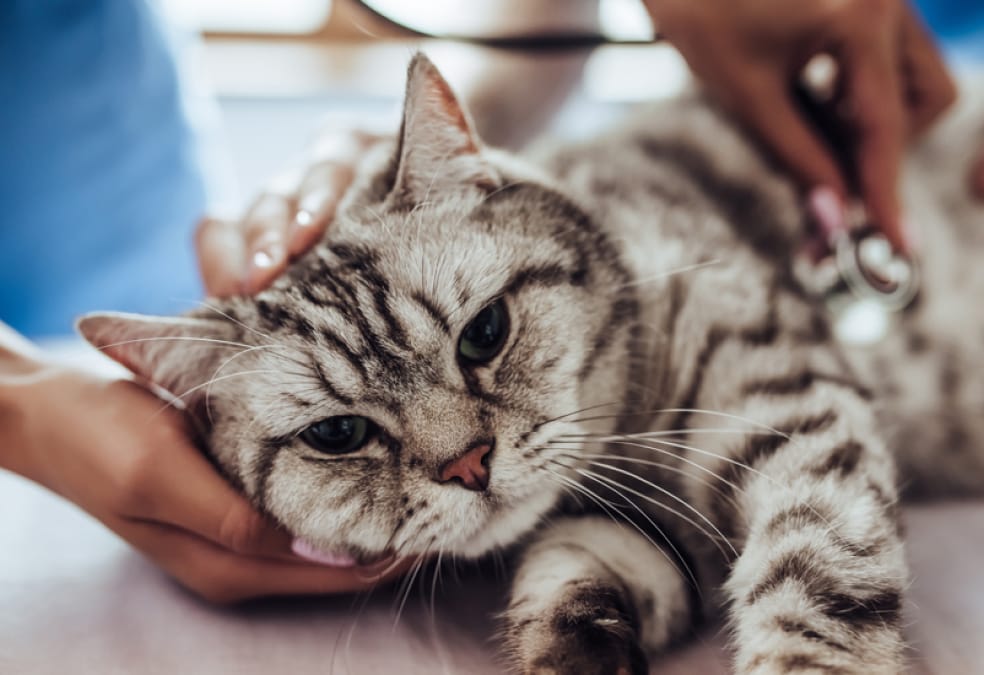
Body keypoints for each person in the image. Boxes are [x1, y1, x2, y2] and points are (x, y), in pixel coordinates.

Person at [0, 0, 981, 603]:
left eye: (483, 337)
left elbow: (526, 40)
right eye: (340, 433)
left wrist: (425, 159)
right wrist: (19, 408)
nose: (460, 459)